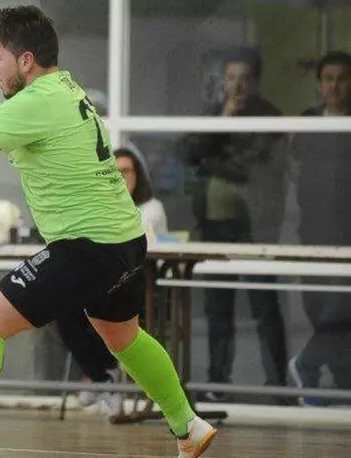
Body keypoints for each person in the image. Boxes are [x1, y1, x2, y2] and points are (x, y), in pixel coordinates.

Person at [0, 6, 216, 458]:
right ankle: (187, 424)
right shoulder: (63, 89)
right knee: (125, 338)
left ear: (25, 60)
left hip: (87, 246)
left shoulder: (33, 104)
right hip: (126, 242)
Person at [184, 49, 289, 400]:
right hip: (215, 225)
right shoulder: (215, 113)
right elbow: (190, 152)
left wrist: (212, 162)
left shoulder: (268, 117)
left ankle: (279, 385)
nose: (237, 85)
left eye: (244, 78)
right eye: (231, 78)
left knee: (264, 307)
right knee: (218, 309)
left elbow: (250, 168)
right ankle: (218, 384)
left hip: (255, 226)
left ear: (255, 81)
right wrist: (223, 121)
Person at [58, 145, 170, 413]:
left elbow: (127, 238)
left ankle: (103, 378)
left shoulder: (151, 208)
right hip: (104, 282)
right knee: (63, 308)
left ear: (138, 175)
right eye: (114, 172)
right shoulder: (97, 206)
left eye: (126, 172)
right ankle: (103, 376)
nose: (120, 178)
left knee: (103, 308)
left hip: (144, 287)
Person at [289, 51, 351, 404]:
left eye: (342, 79)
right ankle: (337, 381)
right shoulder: (308, 123)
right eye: (328, 79)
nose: (334, 86)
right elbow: (295, 170)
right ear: (319, 84)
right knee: (322, 312)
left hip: (347, 235)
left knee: (342, 311)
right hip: (313, 233)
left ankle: (308, 364)